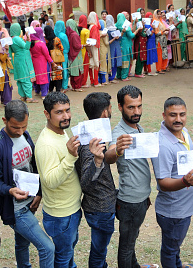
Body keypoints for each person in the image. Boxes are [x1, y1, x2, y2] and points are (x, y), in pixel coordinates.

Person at [0, 100, 54, 268]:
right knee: (48, 248)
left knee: (22, 243)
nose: (20, 131)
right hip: (16, 209)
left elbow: (33, 165)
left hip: (30, 201)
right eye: (15, 127)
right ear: (4, 120)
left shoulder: (25, 135)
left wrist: (39, 193)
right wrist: (10, 190)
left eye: (24, 126)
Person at [151, 97, 193, 268]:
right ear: (164, 115)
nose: (178, 119)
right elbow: (163, 182)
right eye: (173, 115)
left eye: (182, 114)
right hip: (174, 212)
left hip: (183, 208)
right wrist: (185, 182)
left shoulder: (183, 132)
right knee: (170, 249)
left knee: (174, 246)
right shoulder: (163, 145)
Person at [34, 92, 82, 268]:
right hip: (61, 215)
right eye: (59, 112)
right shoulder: (46, 144)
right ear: (47, 114)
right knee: (62, 257)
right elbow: (50, 181)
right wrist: (70, 156)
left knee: (68, 253)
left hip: (71, 210)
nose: (66, 116)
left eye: (67, 110)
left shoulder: (61, 131)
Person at [107, 85, 151, 268]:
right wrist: (117, 149)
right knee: (126, 247)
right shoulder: (119, 134)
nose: (136, 111)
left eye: (139, 106)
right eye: (131, 107)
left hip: (140, 198)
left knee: (131, 239)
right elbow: (108, 156)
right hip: (130, 202)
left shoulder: (137, 127)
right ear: (119, 107)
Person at [74, 92, 117, 267]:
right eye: (111, 108)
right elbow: (86, 183)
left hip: (100, 205)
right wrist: (98, 160)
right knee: (99, 253)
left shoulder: (92, 134)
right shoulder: (91, 142)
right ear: (105, 113)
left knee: (100, 250)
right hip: (100, 207)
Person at [9, 23, 37, 103]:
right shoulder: (17, 39)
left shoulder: (12, 39)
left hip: (18, 60)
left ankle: (23, 96)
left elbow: (11, 52)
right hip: (23, 60)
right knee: (26, 78)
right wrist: (28, 39)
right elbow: (26, 47)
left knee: (20, 79)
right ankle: (29, 97)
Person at [30, 26, 54, 98]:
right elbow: (47, 55)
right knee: (44, 77)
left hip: (34, 61)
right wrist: (52, 62)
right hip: (42, 62)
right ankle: (44, 93)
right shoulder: (41, 44)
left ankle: (37, 91)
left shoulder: (31, 43)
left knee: (37, 76)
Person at [118, 13, 138, 81]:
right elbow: (131, 36)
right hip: (126, 45)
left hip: (119, 45)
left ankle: (119, 75)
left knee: (120, 60)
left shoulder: (116, 25)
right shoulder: (126, 26)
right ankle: (124, 76)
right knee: (126, 60)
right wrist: (137, 31)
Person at [44, 25, 64, 93]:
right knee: (58, 74)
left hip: (49, 60)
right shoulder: (56, 39)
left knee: (50, 75)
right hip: (57, 60)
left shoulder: (45, 40)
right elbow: (62, 48)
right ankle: (58, 89)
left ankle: (50, 89)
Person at [66, 19, 84, 91]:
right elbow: (77, 46)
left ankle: (73, 86)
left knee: (73, 71)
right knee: (77, 70)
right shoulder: (74, 34)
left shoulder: (68, 34)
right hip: (76, 55)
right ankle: (77, 87)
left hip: (70, 54)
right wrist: (83, 45)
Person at [54, 21, 70, 92]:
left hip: (55, 55)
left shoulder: (55, 34)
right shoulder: (63, 35)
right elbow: (67, 46)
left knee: (58, 69)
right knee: (64, 69)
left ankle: (59, 86)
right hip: (64, 54)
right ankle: (64, 86)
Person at [106, 15, 121, 83]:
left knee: (115, 61)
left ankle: (113, 76)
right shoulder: (106, 30)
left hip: (116, 47)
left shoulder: (116, 28)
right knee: (110, 62)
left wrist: (118, 36)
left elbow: (120, 38)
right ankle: (110, 77)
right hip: (110, 48)